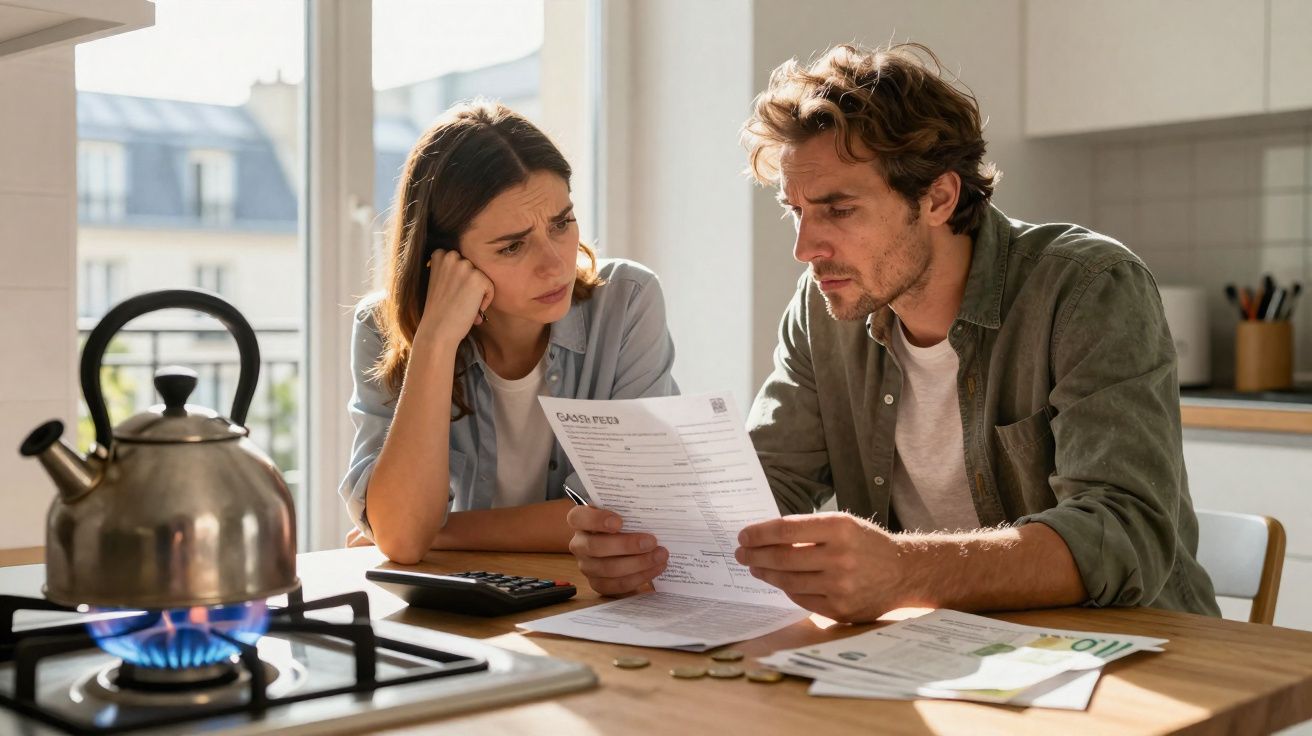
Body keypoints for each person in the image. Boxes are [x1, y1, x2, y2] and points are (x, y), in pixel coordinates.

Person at [564, 43, 1219, 621]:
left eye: (838, 209)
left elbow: (1124, 532)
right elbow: (769, 486)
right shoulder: (824, 309)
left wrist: (905, 572)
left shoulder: (1085, 287)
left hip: (1129, 657)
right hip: (936, 654)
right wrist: (651, 550)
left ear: (937, 199)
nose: (804, 248)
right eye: (794, 210)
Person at [341, 101, 678, 565]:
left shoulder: (626, 302)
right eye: (513, 246)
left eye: (561, 223)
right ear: (443, 259)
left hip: (588, 601)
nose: (556, 264)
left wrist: (439, 533)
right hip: (465, 606)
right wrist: (435, 341)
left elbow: (625, 516)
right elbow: (401, 539)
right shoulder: (382, 328)